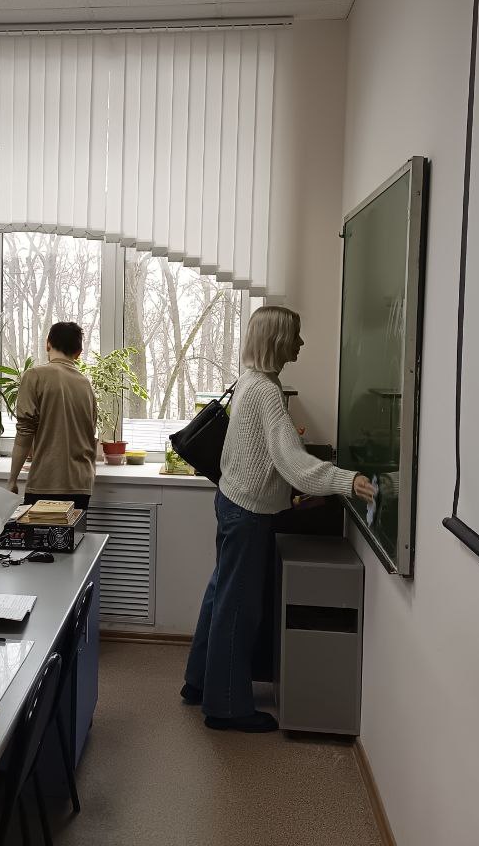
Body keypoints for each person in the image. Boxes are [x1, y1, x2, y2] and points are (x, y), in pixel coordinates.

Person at [182, 306, 375, 733]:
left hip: (232, 501)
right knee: (239, 608)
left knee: (221, 596)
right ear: (277, 340)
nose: (300, 343)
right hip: (248, 514)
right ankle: (225, 708)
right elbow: (293, 463)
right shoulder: (267, 392)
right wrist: (347, 480)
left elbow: (261, 454)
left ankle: (198, 682)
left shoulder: (250, 380)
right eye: (295, 335)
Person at [7, 322, 99, 512]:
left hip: (46, 481)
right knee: (74, 533)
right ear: (78, 353)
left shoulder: (34, 376)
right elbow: (90, 433)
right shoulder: (85, 384)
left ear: (47, 343)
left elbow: (25, 432)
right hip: (81, 483)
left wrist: (12, 480)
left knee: (38, 533)